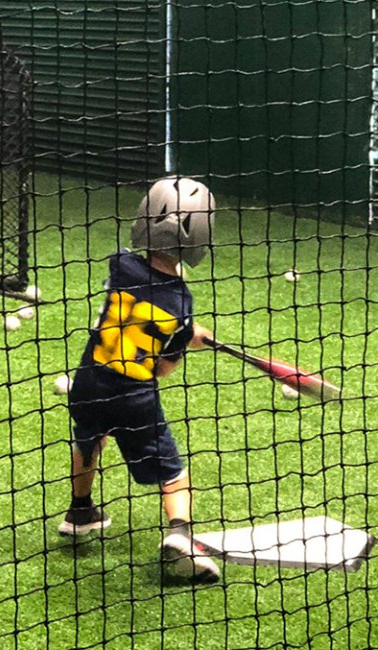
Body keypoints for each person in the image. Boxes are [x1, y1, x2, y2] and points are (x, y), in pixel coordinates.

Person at [60, 176, 221, 584]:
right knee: (173, 473)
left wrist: (184, 332)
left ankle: (80, 512)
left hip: (89, 383)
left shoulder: (120, 264)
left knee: (90, 437)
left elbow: (137, 307)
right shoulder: (181, 302)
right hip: (134, 398)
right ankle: (180, 535)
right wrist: (185, 338)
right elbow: (163, 367)